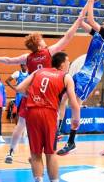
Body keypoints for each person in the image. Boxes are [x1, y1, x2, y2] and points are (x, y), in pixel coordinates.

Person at [0, 7, 86, 164]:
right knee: (58, 108)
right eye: (42, 40)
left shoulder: (27, 57)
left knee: (21, 125)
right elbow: (67, 37)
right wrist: (78, 22)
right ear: (39, 46)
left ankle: (11, 152)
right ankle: (53, 140)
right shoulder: (49, 52)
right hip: (48, 94)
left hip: (31, 95)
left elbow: (9, 60)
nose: (44, 41)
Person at [57, 0, 104, 156]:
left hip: (91, 74)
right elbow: (83, 20)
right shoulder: (98, 34)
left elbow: (91, 20)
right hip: (84, 71)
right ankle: (59, 130)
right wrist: (86, 5)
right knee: (63, 98)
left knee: (74, 102)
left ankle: (71, 141)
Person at [15, 52, 80, 182]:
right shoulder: (66, 77)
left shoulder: (38, 72)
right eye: (68, 62)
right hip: (48, 113)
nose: (69, 64)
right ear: (62, 64)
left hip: (32, 112)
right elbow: (74, 103)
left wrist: (34, 96)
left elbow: (19, 88)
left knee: (35, 153)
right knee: (50, 153)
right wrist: (76, 120)